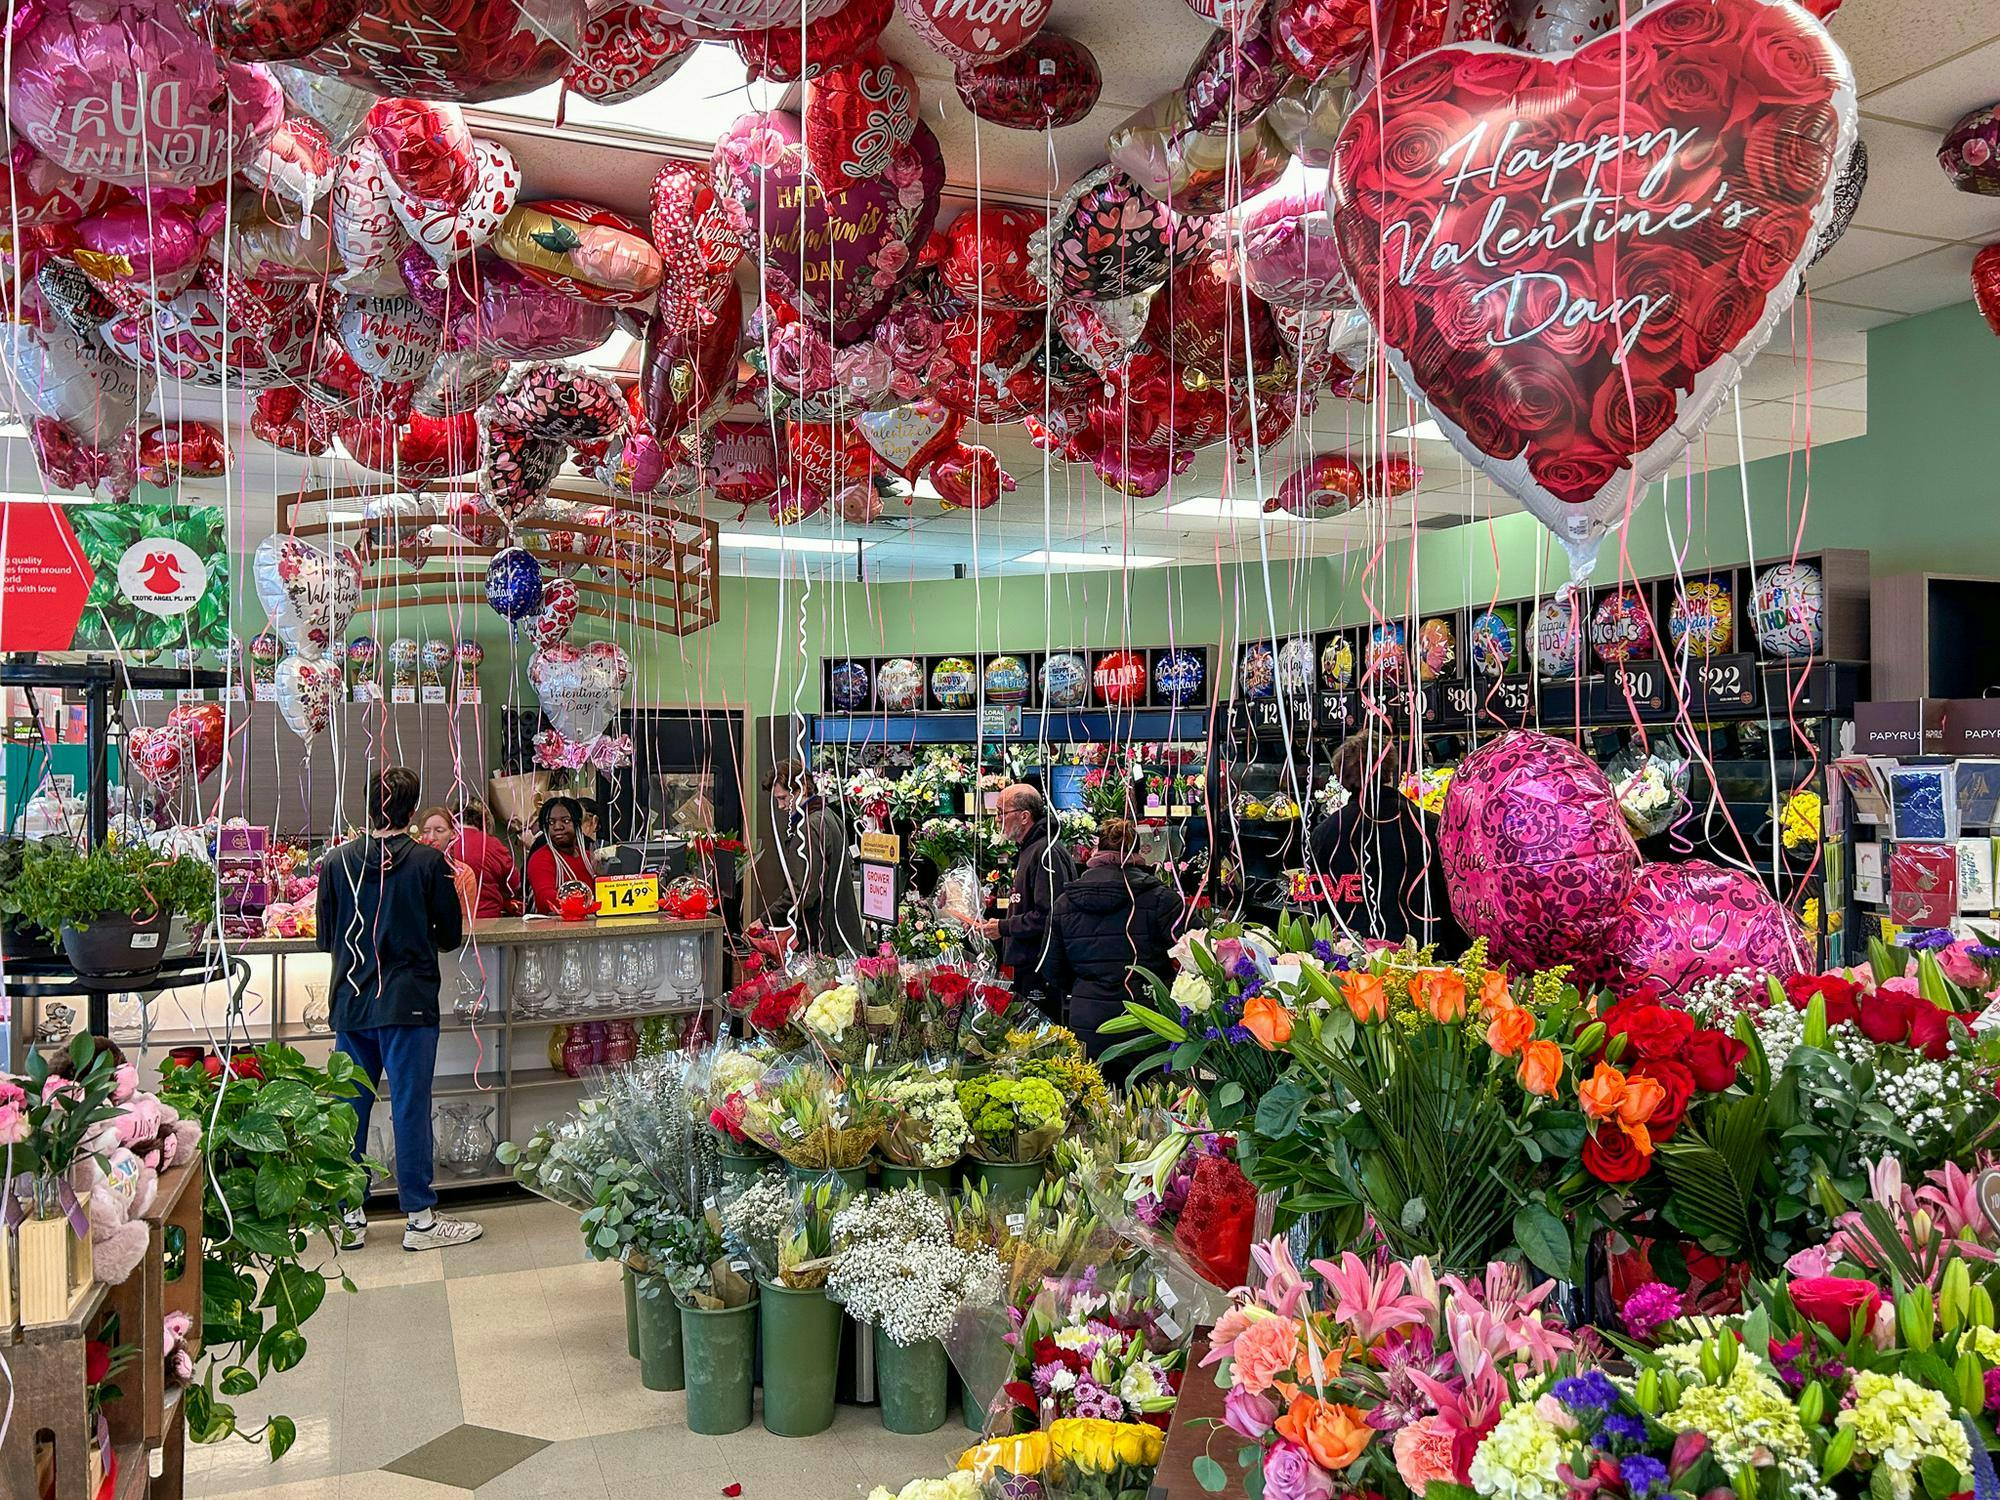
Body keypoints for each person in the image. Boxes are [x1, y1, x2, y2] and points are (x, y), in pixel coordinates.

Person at [316, 767, 483, 1253]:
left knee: (350, 1111)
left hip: (351, 1002)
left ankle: (350, 1215)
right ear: (412, 813)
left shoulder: (335, 863)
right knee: (410, 1106)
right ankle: (420, 1219)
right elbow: (450, 938)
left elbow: (327, 938)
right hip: (409, 1003)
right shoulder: (430, 864)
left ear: (366, 804)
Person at [1043, 818, 1183, 1060]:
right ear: (1138, 853)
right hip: (1147, 1017)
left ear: (1097, 851)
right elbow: (1192, 953)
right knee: (1149, 1094)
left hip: (1088, 1017)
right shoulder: (1162, 899)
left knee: (1092, 1092)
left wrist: (1086, 986)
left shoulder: (1064, 903)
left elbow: (1051, 968)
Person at [1307, 732, 1461, 948]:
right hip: (1423, 951)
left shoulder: (1324, 832)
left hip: (1354, 955)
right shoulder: (1429, 824)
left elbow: (1315, 898)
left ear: (1343, 779)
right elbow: (1451, 897)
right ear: (1391, 771)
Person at [981, 783, 1076, 1013]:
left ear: (1024, 816)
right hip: (1030, 965)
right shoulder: (1031, 849)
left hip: (1042, 968)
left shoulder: (1046, 853)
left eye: (1002, 813)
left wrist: (1004, 927)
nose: (997, 820)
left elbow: (1049, 915)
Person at [762, 759, 864, 955]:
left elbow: (804, 891)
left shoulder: (809, 826)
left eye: (783, 798)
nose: (780, 806)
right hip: (840, 931)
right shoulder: (829, 815)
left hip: (826, 937)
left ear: (803, 789)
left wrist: (768, 919)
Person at [525, 795, 598, 915]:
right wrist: (584, 903)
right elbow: (545, 898)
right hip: (553, 929)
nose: (557, 827)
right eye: (551, 822)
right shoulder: (540, 858)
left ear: (577, 823)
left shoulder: (590, 857)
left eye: (565, 820)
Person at [449, 798, 519, 919]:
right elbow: (514, 883)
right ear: (485, 820)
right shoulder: (493, 844)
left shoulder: (445, 843)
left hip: (451, 922)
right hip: (487, 920)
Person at [416, 805, 481, 920]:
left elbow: (465, 921)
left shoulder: (463, 873)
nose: (432, 837)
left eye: (439, 830)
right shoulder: (411, 869)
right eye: (425, 831)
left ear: (453, 833)